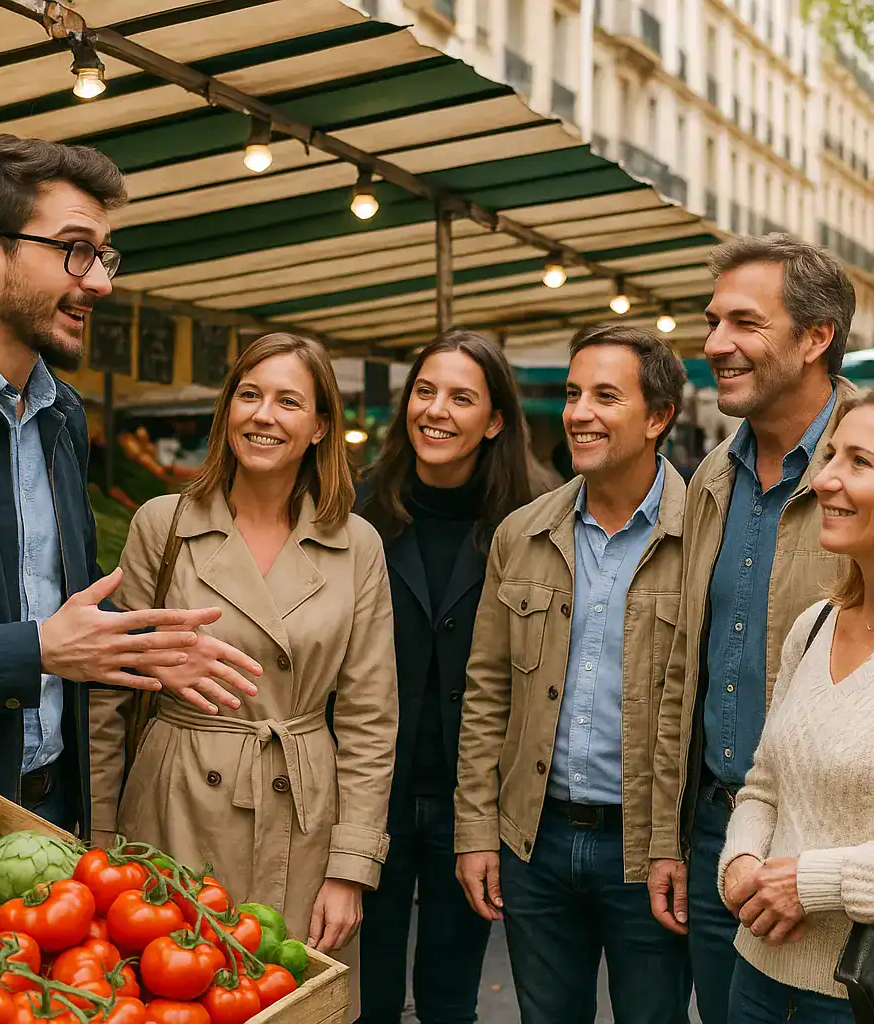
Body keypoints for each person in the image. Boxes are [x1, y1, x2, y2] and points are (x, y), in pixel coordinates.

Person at [0, 135, 245, 836]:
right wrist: (34, 651)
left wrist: (146, 640)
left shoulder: (62, 414)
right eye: (75, 249)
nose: (101, 281)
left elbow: (63, 598)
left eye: (104, 255)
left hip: (55, 808)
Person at [88, 332, 397, 1016]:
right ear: (226, 411)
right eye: (249, 396)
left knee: (292, 997)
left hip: (304, 809)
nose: (264, 416)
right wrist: (101, 845)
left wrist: (351, 868)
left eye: (290, 402)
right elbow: (112, 697)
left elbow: (371, 718)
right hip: (175, 802)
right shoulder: (162, 525)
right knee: (171, 993)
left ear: (320, 427)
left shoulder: (357, 543)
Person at [455, 324, 691, 1024]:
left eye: (605, 396)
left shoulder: (703, 537)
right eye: (572, 393)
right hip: (538, 842)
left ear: (657, 417)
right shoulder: (521, 535)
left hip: (648, 849)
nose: (579, 412)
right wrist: (476, 830)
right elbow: (487, 693)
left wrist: (675, 846)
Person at [648, 234, 857, 1024]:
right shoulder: (710, 476)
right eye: (711, 322)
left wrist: (822, 870)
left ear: (814, 338)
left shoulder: (863, 475)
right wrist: (673, 839)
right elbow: (683, 671)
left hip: (835, 857)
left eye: (744, 322)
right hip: (718, 840)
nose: (713, 345)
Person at [354, 330, 543, 1024]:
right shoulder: (355, 512)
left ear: (493, 421)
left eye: (462, 397)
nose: (436, 410)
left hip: (474, 803)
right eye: (425, 391)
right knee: (361, 996)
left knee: (448, 998)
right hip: (368, 795)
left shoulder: (531, 524)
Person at [716, 390, 874, 1024]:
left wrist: (810, 882)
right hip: (757, 979)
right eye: (831, 454)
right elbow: (764, 784)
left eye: (860, 461)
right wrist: (744, 860)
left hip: (856, 994)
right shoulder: (814, 626)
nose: (826, 478)